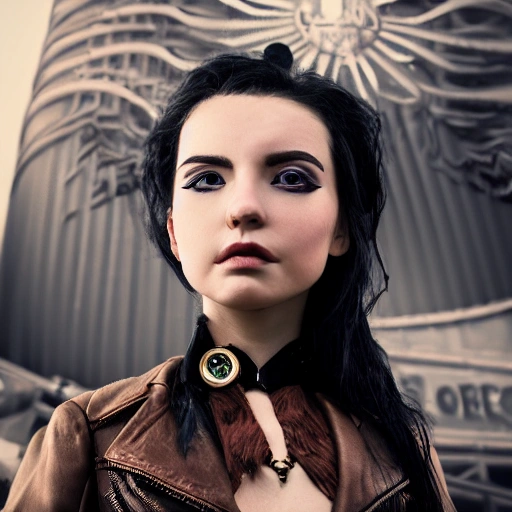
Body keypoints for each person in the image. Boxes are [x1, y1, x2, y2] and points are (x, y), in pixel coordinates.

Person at [3, 43, 455, 511]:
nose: (243, 208)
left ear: (341, 227)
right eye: (207, 180)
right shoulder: (89, 436)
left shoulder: (402, 448)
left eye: (292, 178)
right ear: (174, 231)